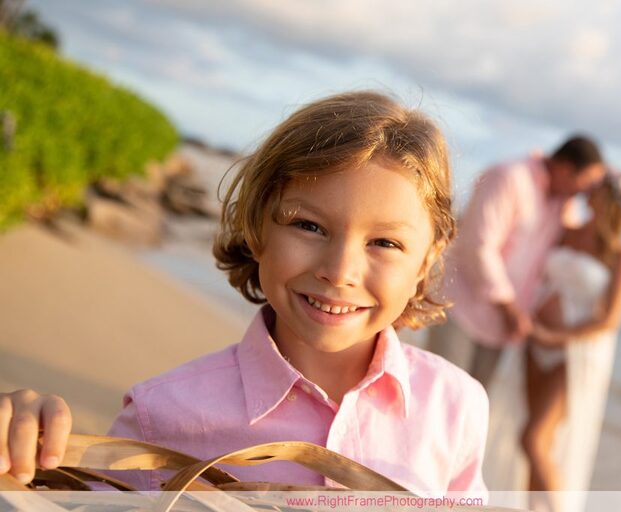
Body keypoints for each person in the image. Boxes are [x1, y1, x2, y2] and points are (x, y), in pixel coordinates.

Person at [0, 91, 489, 496]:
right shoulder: (162, 415)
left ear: (428, 258)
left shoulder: (457, 408)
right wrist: (20, 451)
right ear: (257, 227)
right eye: (309, 225)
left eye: (385, 242)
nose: (340, 271)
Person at [432, 136, 606, 388]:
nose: (584, 192)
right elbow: (479, 245)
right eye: (586, 183)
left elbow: (574, 243)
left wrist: (611, 194)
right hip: (463, 307)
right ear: (566, 169)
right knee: (441, 398)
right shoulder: (508, 177)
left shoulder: (563, 202)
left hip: (503, 328)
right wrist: (510, 308)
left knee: (473, 411)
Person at [521, 171, 621, 512]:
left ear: (611, 201)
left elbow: (609, 320)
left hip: (574, 353)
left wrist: (555, 336)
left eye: (600, 189)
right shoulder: (566, 231)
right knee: (537, 442)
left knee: (532, 439)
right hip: (534, 344)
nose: (591, 191)